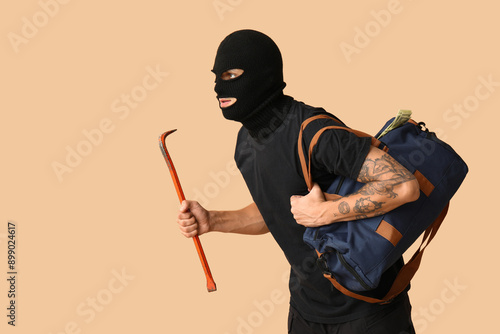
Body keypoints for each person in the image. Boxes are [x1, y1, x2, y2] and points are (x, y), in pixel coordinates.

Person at [177, 29, 420, 334]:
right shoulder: (246, 145)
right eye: (216, 76)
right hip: (307, 310)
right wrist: (213, 220)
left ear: (262, 74)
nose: (218, 87)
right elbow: (274, 213)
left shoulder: (315, 133)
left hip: (370, 310)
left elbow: (403, 185)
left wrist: (326, 212)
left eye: (231, 74)